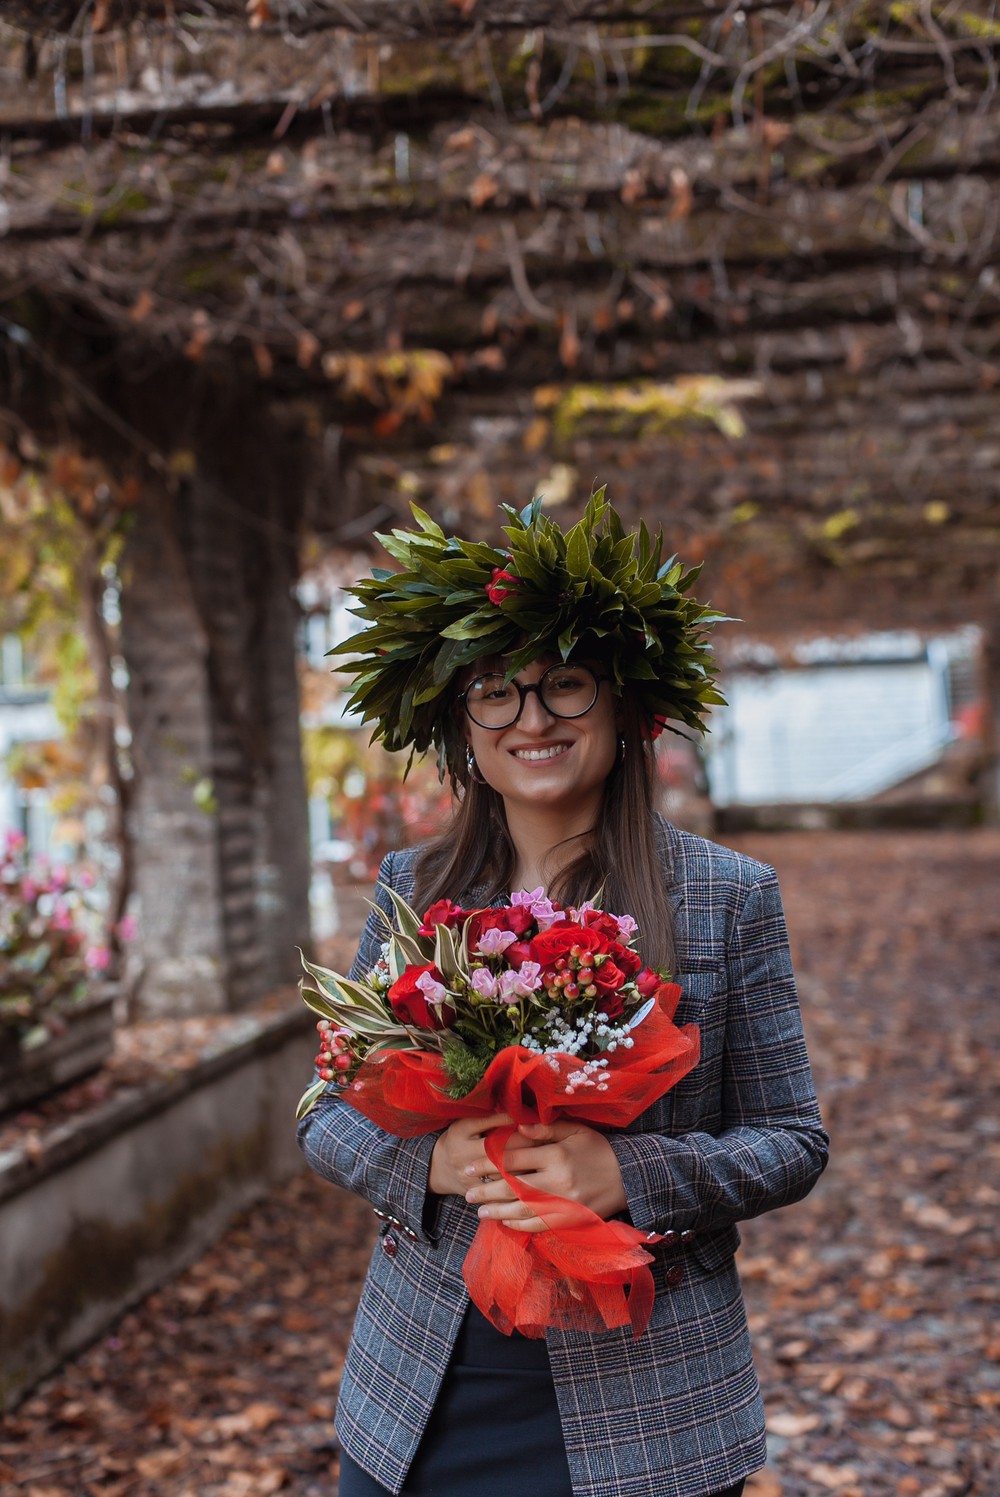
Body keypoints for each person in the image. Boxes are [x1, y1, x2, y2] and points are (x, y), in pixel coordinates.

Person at [298, 492, 829, 1497]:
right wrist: (434, 1166)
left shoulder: (725, 898)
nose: (531, 720)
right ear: (460, 722)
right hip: (420, 1392)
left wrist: (626, 1173)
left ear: (627, 709)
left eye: (566, 687)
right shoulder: (414, 893)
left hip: (651, 1407)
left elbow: (791, 1139)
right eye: (497, 693)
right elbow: (327, 1111)